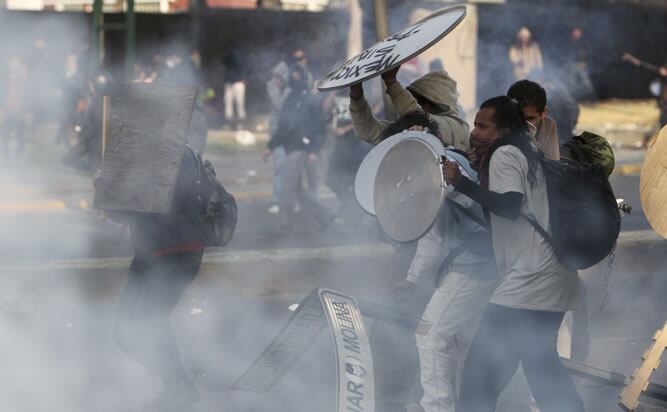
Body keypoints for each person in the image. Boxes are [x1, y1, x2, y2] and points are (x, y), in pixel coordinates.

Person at [443, 96, 585, 412]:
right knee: (541, 371)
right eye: (475, 124)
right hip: (549, 277)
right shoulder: (527, 151)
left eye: (483, 126)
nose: (475, 131)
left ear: (503, 129)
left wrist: (460, 183)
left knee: (479, 381)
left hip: (529, 283)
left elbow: (508, 204)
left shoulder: (505, 154)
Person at [389, 121, 498, 412]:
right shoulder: (426, 175)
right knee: (455, 345)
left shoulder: (451, 165)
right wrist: (412, 280)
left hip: (476, 266)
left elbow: (464, 200)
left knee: (431, 335)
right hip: (472, 265)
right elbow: (433, 236)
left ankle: (437, 408)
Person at [102, 145, 206, 411]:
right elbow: (125, 211)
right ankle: (177, 378)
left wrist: (110, 191)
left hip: (176, 253)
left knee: (151, 318)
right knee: (123, 330)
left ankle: (179, 384)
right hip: (149, 253)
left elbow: (142, 207)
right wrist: (108, 188)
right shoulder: (149, 153)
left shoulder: (172, 155)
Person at [263, 64, 334, 234]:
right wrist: (270, 147)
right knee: (296, 188)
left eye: (297, 78)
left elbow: (319, 127)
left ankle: (285, 224)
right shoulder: (289, 100)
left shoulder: (311, 100)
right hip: (290, 147)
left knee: (287, 186)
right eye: (292, 78)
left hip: (302, 147)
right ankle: (325, 214)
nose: (294, 81)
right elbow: (283, 127)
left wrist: (314, 150)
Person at [349, 65, 469, 151]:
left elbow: (421, 117)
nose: (412, 103)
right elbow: (367, 131)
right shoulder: (409, 129)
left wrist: (391, 82)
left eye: (417, 101)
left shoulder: (457, 127)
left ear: (433, 104)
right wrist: (356, 94)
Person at [507, 79, 560, 160]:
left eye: (530, 118)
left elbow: (553, 164)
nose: (523, 124)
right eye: (518, 117)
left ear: (543, 112)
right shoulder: (501, 125)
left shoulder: (549, 125)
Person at [265, 60, 291, 215]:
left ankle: (291, 200)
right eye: (273, 77)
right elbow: (278, 105)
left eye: (277, 77)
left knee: (294, 170)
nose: (274, 80)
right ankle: (277, 200)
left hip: (292, 134)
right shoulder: (273, 89)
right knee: (280, 167)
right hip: (277, 134)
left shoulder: (290, 91)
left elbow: (284, 106)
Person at [2, 56, 28, 161]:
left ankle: (19, 154)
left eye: (16, 63)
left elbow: (28, 94)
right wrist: (2, 108)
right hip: (8, 109)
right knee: (5, 132)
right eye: (12, 63)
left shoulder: (23, 77)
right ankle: (5, 154)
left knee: (20, 132)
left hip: (19, 110)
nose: (14, 65)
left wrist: (27, 111)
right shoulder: (4, 77)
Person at [565, 27, 596, 102]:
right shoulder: (569, 43)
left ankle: (591, 99)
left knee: (586, 84)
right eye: (574, 32)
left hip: (581, 65)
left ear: (580, 33)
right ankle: (573, 100)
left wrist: (585, 62)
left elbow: (588, 53)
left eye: (577, 32)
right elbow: (568, 54)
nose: (576, 34)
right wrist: (569, 64)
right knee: (572, 83)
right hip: (572, 66)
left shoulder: (584, 43)